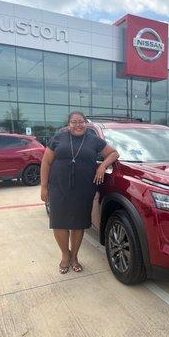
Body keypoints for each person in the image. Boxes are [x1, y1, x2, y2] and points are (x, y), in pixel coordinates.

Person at [40, 111, 119, 274]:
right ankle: (65, 255)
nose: (78, 125)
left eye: (81, 121)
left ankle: (74, 256)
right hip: (58, 187)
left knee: (78, 224)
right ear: (68, 124)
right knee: (59, 223)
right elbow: (46, 162)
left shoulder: (94, 140)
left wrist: (102, 166)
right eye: (74, 122)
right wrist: (44, 186)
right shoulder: (58, 138)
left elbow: (113, 153)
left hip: (83, 189)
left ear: (85, 122)